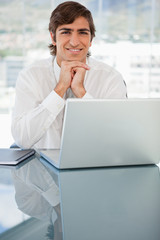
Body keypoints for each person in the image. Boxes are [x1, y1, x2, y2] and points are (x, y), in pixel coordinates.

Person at [11, 1, 127, 149]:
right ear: (53, 38)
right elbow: (22, 139)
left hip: (94, 167)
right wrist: (60, 89)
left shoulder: (110, 78)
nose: (74, 42)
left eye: (83, 33)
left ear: (91, 40)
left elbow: (118, 138)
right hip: (40, 169)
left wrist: (81, 92)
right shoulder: (30, 76)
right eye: (66, 32)